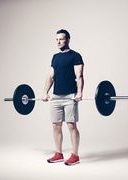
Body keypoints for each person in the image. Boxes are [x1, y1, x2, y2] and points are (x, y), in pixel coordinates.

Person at [42, 29, 84, 166]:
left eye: (61, 39)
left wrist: (79, 93)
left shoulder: (75, 56)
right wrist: (45, 92)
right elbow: (50, 76)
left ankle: (75, 155)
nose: (58, 42)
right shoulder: (55, 57)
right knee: (56, 125)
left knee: (71, 125)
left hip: (70, 96)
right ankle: (58, 153)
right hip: (55, 97)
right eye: (57, 39)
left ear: (68, 40)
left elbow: (79, 76)